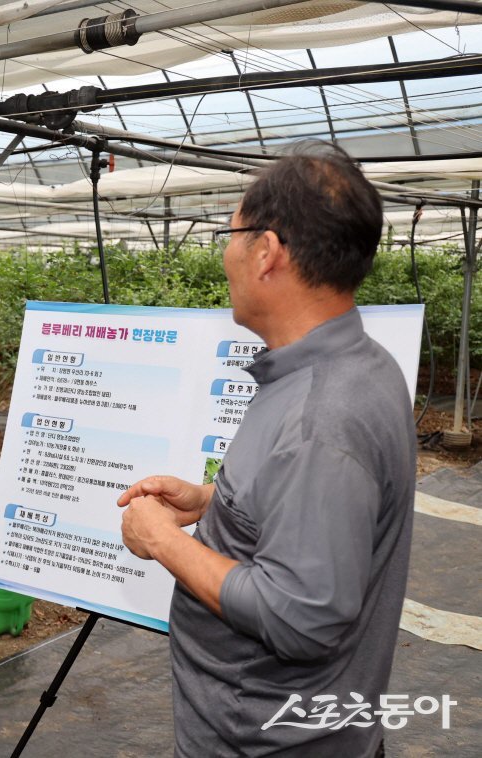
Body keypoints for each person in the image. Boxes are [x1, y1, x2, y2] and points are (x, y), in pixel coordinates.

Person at [117, 144, 415, 756]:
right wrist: (208, 501)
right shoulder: (353, 365)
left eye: (231, 235)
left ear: (267, 252)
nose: (225, 254)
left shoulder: (323, 418)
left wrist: (163, 542)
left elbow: (300, 617)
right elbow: (308, 506)